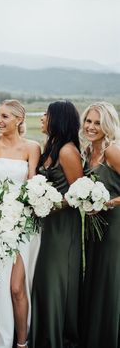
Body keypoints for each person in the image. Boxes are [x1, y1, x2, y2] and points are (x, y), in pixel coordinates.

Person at [0, 99, 41, 348]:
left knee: (16, 287)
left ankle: (21, 342)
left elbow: (32, 182)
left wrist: (23, 210)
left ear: (19, 120)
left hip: (23, 223)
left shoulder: (33, 147)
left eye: (5, 116)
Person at [30, 100, 83, 348]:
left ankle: (58, 338)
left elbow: (80, 194)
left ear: (58, 119)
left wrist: (49, 204)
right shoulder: (51, 146)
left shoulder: (67, 151)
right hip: (46, 225)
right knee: (42, 279)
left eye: (46, 114)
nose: (42, 117)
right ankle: (42, 335)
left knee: (54, 280)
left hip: (62, 227)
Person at [79, 101, 120, 348]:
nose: (91, 127)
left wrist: (108, 204)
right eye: (88, 121)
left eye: (97, 122)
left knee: (109, 280)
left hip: (115, 226)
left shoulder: (112, 151)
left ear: (107, 125)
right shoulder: (87, 152)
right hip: (94, 227)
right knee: (94, 276)